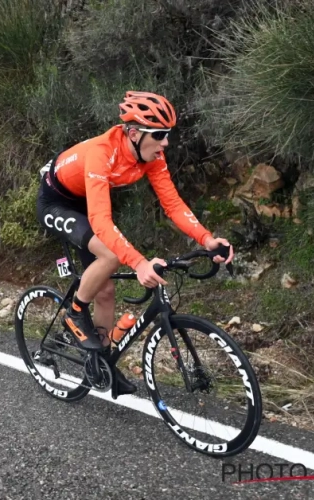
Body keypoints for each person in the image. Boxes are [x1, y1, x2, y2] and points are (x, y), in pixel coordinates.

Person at [36, 91, 234, 397]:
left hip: (86, 201)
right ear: (133, 133)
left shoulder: (152, 155)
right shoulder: (103, 152)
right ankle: (75, 312)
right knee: (111, 257)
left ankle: (99, 361)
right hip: (57, 203)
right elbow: (100, 220)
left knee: (107, 289)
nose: (165, 143)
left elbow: (173, 204)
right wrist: (139, 262)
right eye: (159, 135)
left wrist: (207, 239)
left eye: (167, 135)